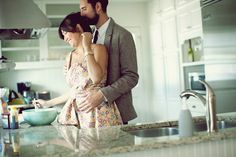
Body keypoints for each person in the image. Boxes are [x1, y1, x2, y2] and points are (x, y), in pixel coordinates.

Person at [33, 12, 122, 128]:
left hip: (98, 113)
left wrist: (86, 47)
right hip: (78, 115)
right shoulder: (69, 57)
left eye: (65, 33)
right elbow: (75, 91)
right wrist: (47, 103)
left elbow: (96, 78)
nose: (65, 39)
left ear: (78, 28)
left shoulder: (98, 49)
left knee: (101, 145)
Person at [78, 0, 139, 124]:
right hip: (92, 116)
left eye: (84, 9)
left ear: (98, 7)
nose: (81, 14)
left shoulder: (122, 35)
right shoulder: (89, 36)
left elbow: (131, 77)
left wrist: (102, 94)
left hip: (117, 114)